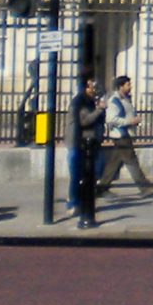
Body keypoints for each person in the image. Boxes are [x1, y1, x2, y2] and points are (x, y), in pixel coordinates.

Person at [98, 74, 153, 192]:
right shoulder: (115, 101)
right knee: (132, 160)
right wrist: (130, 121)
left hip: (126, 133)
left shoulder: (126, 99)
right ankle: (144, 187)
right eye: (128, 84)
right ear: (120, 86)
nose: (130, 87)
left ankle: (101, 188)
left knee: (114, 163)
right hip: (121, 135)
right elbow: (111, 119)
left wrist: (134, 121)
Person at [70, 77, 106, 210]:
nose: (94, 89)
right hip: (78, 142)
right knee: (77, 174)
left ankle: (85, 199)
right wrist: (99, 110)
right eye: (91, 87)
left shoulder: (90, 101)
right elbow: (84, 121)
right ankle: (74, 202)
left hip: (90, 141)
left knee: (94, 170)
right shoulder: (80, 102)